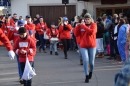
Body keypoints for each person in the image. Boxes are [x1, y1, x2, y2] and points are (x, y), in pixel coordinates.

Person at [74, 13, 97, 83]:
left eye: (88, 19)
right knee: (85, 60)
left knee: (91, 62)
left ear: (90, 19)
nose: (87, 21)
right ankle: (86, 75)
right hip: (83, 45)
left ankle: (91, 71)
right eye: (86, 19)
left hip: (92, 46)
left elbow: (91, 32)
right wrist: (77, 26)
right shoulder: (81, 26)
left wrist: (84, 26)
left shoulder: (94, 25)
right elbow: (76, 34)